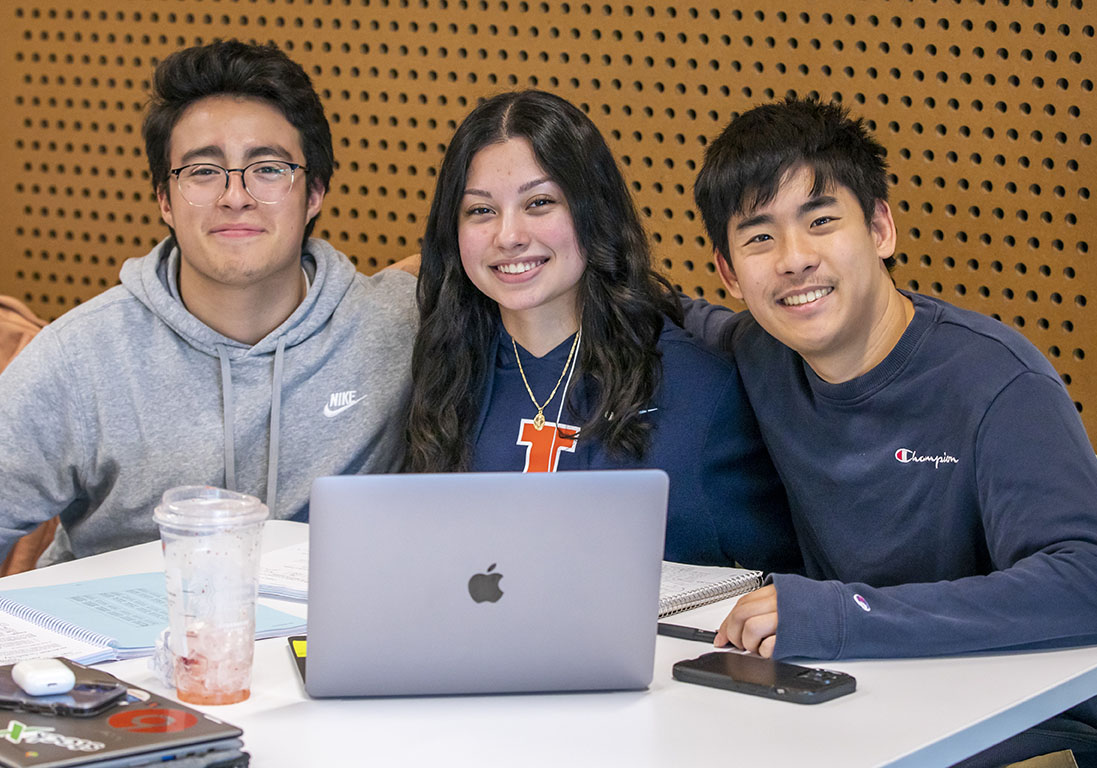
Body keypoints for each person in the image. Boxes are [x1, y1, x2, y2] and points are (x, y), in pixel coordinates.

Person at [690, 97, 1097, 766]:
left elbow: (1084, 581)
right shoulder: (755, 353)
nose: (793, 259)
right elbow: (652, 312)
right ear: (730, 273)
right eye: (758, 237)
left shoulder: (995, 381)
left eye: (820, 221)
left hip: (1029, 731)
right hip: (860, 707)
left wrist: (844, 616)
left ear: (880, 227)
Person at [0, 40, 417, 564]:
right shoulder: (78, 360)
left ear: (313, 194)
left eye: (267, 168)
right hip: (124, 638)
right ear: (164, 201)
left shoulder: (397, 326)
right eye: (202, 171)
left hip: (325, 643)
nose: (235, 196)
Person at [403, 90, 799, 571]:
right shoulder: (443, 370)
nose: (508, 235)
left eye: (540, 202)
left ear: (594, 211)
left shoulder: (699, 393)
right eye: (481, 211)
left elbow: (778, 591)